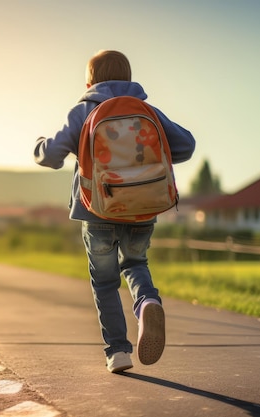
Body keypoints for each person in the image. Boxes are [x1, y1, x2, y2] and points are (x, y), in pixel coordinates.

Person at [33, 50, 195, 373]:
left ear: (90, 81)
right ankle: (147, 301)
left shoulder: (83, 111)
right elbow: (186, 146)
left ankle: (118, 352)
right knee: (135, 263)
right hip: (143, 208)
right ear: (129, 78)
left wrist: (39, 146)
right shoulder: (146, 110)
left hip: (97, 211)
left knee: (105, 282)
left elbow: (52, 155)